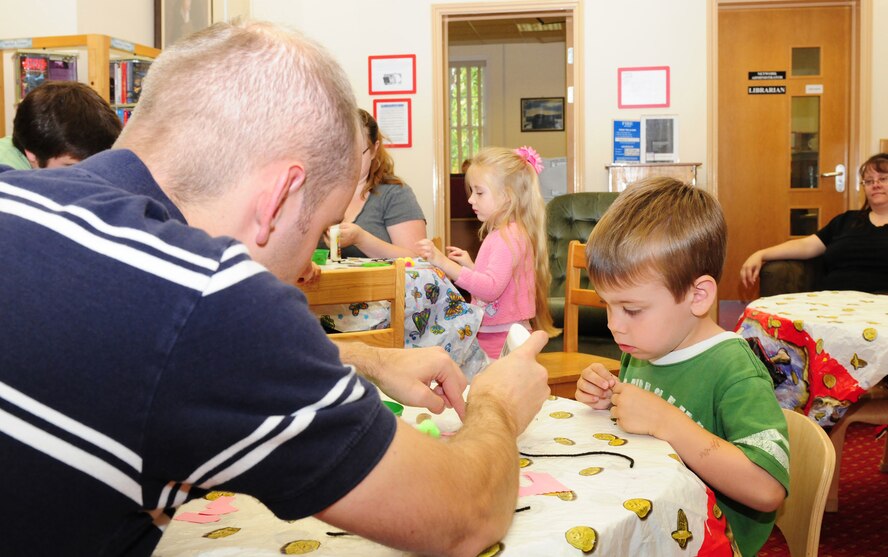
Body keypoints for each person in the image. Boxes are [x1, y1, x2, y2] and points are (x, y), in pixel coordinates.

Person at [0, 21, 551, 556]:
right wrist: (497, 404)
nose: (299, 271)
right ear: (278, 197)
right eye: (316, 229)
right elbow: (460, 515)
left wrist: (363, 358)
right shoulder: (211, 296)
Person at [575, 177, 789, 557]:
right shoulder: (642, 347)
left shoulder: (735, 369)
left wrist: (667, 421)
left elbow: (768, 489)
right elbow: (638, 426)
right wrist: (607, 398)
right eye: (607, 305)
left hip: (710, 539)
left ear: (698, 296)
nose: (614, 324)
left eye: (632, 309)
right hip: (649, 515)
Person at [417, 145, 558, 359]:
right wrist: (471, 266)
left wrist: (445, 263)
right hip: (497, 333)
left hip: (502, 338)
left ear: (508, 196)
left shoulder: (507, 236)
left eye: (479, 192)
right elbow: (500, 284)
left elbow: (491, 289)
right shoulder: (506, 233)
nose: (471, 199)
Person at [740, 153, 888, 294]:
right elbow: (807, 245)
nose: (875, 185)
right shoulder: (846, 221)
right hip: (833, 302)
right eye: (868, 181)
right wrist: (761, 254)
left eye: (883, 179)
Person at [320, 108, 426, 259]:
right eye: (339, 151)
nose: (346, 160)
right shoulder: (317, 193)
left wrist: (361, 239)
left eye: (356, 153)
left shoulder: (394, 195)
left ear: (374, 150)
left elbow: (418, 261)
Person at [0, 80, 122, 170]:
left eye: (93, 165)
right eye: (72, 167)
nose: (86, 175)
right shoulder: (8, 176)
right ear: (32, 154)